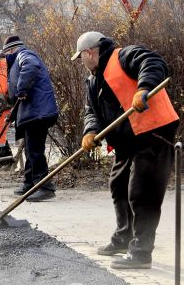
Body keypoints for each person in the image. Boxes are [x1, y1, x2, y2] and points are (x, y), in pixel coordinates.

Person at [72, 31, 179, 269]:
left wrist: (144, 88)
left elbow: (152, 62)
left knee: (143, 192)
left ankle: (141, 252)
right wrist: (90, 132)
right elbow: (91, 111)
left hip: (153, 132)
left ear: (90, 52)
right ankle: (124, 236)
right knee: (118, 185)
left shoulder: (123, 56)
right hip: (127, 140)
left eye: (80, 57)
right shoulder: (93, 81)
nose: (81, 61)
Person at [4, 35, 59, 202]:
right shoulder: (20, 57)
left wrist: (21, 88)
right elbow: (21, 98)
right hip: (33, 112)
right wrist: (13, 115)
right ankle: (30, 183)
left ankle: (45, 187)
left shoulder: (24, 55)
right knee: (30, 149)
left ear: (11, 50)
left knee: (34, 150)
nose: (6, 57)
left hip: (38, 113)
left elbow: (30, 67)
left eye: (6, 54)